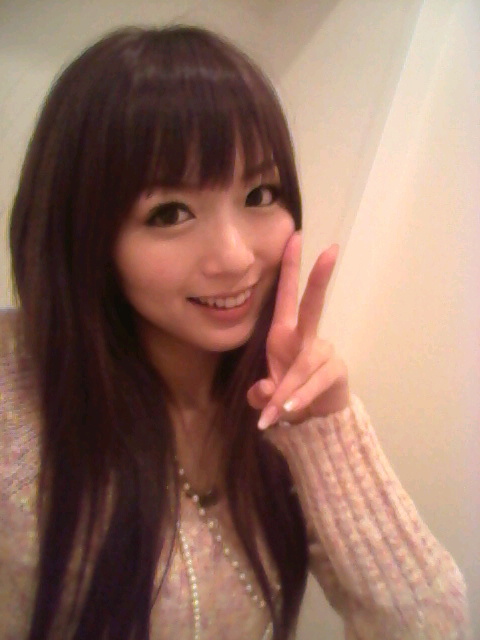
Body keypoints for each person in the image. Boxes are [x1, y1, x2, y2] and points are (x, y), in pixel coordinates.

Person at [0, 25, 470, 640]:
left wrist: (327, 431)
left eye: (259, 194)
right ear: (84, 234)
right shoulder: (15, 394)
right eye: (170, 212)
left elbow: (431, 625)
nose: (235, 256)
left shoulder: (283, 412)